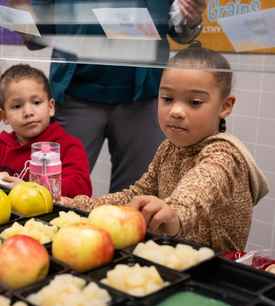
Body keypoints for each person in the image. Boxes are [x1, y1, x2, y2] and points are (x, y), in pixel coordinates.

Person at [61, 42, 269, 252]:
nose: (176, 111)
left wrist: (175, 212)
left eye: (195, 102)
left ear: (225, 106)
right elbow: (134, 196)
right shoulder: (168, 148)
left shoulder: (226, 154)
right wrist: (76, 206)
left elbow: (201, 186)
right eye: (167, 99)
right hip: (174, 259)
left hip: (216, 270)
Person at [8, 0, 207, 193]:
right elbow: (35, 37)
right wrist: (18, 6)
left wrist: (191, 17)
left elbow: (181, 32)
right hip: (74, 95)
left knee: (136, 201)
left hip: (144, 96)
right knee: (52, 192)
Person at [0, 64, 92, 198]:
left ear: (51, 107)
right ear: (4, 116)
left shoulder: (68, 146)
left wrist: (28, 188)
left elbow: (82, 188)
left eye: (36, 102)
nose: (28, 112)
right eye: (17, 106)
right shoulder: (0, 147)